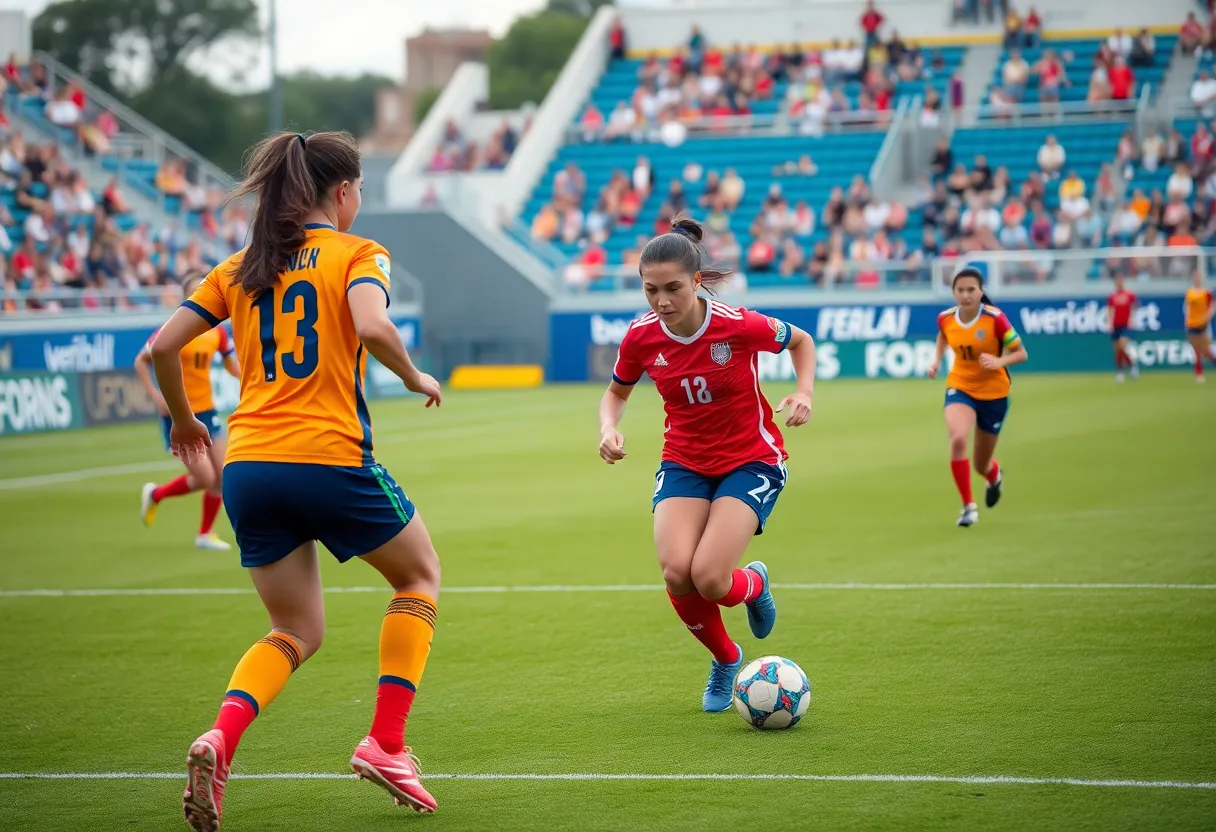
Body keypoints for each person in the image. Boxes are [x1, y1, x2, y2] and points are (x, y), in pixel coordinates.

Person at [149, 131, 445, 830]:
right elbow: (371, 327)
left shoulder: (242, 266)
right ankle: (388, 744)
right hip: (326, 455)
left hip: (248, 465)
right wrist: (413, 375)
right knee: (418, 578)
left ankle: (219, 741)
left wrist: (188, 425)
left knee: (292, 628)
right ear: (342, 192)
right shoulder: (356, 252)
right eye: (361, 190)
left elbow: (161, 347)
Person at [597, 216, 816, 712]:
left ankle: (753, 583)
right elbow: (615, 395)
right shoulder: (641, 337)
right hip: (685, 462)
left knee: (713, 579)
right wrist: (608, 428)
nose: (661, 301)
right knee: (678, 573)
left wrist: (804, 392)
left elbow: (801, 341)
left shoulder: (737, 325)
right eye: (650, 290)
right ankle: (726, 656)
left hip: (751, 459)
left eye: (672, 288)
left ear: (697, 281)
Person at [136, 271, 240, 550]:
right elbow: (141, 361)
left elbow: (232, 366)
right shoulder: (173, 329)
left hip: (208, 410)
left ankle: (204, 534)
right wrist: (155, 395)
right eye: (194, 291)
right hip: (180, 415)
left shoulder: (216, 331)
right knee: (205, 477)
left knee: (223, 474)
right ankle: (156, 494)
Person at [928, 266, 1028, 527]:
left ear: (981, 291)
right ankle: (968, 507)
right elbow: (942, 336)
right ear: (953, 293)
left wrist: (999, 361)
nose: (966, 295)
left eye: (971, 289)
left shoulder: (995, 319)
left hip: (994, 394)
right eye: (960, 290)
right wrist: (937, 361)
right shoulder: (946, 318)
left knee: (981, 464)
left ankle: (993, 475)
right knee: (958, 437)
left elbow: (1020, 353)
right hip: (960, 386)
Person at [1183, 271, 1216, 383]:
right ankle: (1199, 373)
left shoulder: (1206, 293)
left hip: (1203, 324)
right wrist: (1186, 322)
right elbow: (1187, 308)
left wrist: (1207, 318)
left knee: (1206, 350)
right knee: (1196, 349)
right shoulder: (1189, 293)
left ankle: (1212, 361)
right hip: (1192, 323)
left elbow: (1212, 307)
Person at [1107, 275, 1139, 383]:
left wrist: (1131, 318)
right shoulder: (1112, 296)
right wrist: (1109, 323)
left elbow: (1134, 306)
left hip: (1125, 324)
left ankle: (1132, 365)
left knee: (1123, 344)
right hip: (1116, 324)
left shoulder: (1129, 295)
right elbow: (1110, 310)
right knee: (1118, 350)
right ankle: (1121, 372)